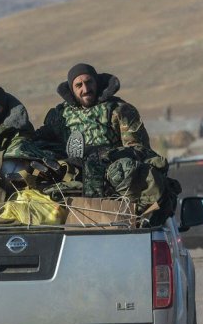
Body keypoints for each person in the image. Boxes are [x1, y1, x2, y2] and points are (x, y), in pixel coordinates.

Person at [35, 63, 179, 224]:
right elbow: (41, 141)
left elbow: (139, 148)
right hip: (73, 172)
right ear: (71, 89)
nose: (85, 89)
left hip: (113, 173)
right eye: (79, 85)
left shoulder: (119, 110)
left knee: (126, 170)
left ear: (97, 83)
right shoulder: (59, 115)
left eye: (89, 82)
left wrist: (107, 155)